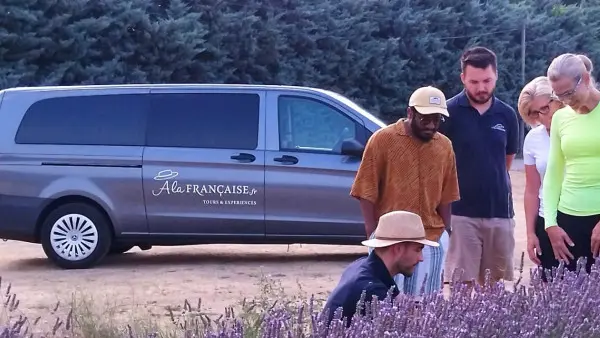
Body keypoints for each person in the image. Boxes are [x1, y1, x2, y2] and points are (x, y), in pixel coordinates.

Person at [350, 86, 460, 296]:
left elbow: (448, 193)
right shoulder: (383, 140)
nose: (431, 125)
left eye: (436, 120)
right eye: (425, 119)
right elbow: (365, 189)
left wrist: (447, 231)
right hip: (391, 240)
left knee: (427, 306)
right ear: (410, 113)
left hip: (431, 238)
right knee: (387, 303)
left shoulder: (444, 146)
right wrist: (373, 232)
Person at [440, 46, 520, 286]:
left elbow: (505, 162)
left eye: (487, 80)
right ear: (463, 78)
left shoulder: (507, 115)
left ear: (496, 75)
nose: (482, 87)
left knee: (494, 289)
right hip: (460, 214)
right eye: (474, 81)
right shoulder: (448, 113)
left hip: (500, 214)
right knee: (461, 287)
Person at [323, 210, 439, 326]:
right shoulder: (373, 291)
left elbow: (400, 300)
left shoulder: (364, 265)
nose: (421, 258)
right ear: (398, 249)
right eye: (418, 250)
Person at [543, 53, 600, 274]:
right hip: (568, 220)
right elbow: (554, 172)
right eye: (558, 96)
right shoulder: (560, 117)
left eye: (568, 93)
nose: (565, 101)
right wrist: (550, 224)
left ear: (585, 79)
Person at [517, 76, 564, 278]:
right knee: (550, 291)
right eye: (535, 114)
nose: (543, 118)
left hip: (583, 215)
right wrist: (530, 233)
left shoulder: (582, 129)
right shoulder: (533, 138)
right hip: (547, 220)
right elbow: (531, 190)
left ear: (558, 99)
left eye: (545, 108)